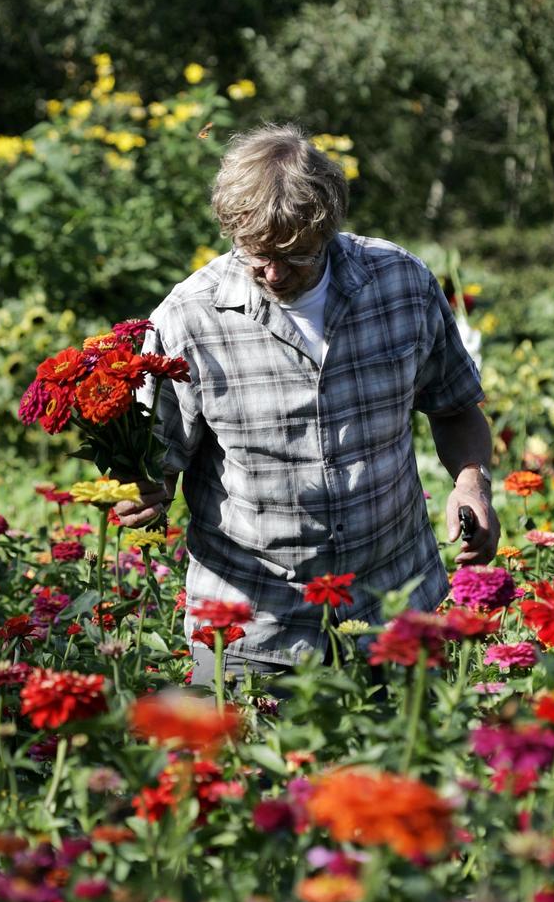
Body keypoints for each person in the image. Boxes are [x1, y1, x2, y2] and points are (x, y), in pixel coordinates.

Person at [116, 124, 500, 686]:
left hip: (394, 607)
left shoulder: (400, 285)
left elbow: (455, 407)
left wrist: (472, 484)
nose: (273, 272)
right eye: (255, 254)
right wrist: (143, 493)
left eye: (294, 254)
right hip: (253, 628)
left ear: (329, 227)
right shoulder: (189, 319)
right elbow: (157, 468)